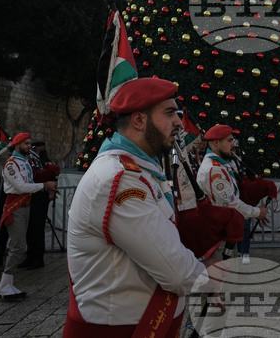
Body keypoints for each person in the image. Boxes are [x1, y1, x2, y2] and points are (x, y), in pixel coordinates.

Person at [64, 77, 206, 336]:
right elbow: (175, 272)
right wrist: (209, 278)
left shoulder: (139, 170)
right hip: (118, 331)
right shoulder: (119, 179)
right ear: (139, 120)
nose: (178, 122)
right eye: (169, 113)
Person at [0, 132, 57, 301]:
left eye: (30, 143)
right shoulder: (11, 164)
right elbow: (21, 186)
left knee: (17, 245)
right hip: (15, 206)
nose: (29, 146)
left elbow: (30, 181)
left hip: (25, 205)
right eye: (26, 143)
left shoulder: (25, 162)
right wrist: (44, 185)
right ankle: (3, 286)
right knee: (18, 247)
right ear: (17, 145)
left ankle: (8, 284)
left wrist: (47, 182)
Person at [196, 125, 268, 264]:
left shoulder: (220, 165)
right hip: (216, 238)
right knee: (219, 274)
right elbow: (230, 205)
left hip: (223, 233)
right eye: (229, 140)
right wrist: (257, 212)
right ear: (216, 142)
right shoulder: (214, 169)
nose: (233, 144)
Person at [24, 140, 52, 270]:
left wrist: (51, 191)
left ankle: (38, 258)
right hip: (31, 197)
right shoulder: (30, 162)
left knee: (37, 229)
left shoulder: (46, 162)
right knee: (29, 230)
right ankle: (30, 256)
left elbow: (52, 177)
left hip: (40, 197)